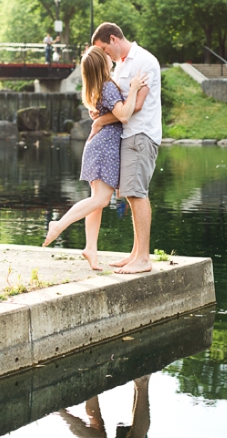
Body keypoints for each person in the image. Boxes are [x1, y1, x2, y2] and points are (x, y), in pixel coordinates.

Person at [42, 46, 148, 270]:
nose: (111, 58)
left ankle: (91, 248)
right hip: (105, 148)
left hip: (99, 146)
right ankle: (58, 224)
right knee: (100, 200)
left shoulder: (95, 88)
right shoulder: (108, 86)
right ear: (102, 64)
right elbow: (124, 115)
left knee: (96, 202)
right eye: (107, 57)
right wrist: (134, 89)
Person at [90, 22, 161, 274]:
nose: (104, 55)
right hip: (127, 137)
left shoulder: (145, 61)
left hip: (141, 136)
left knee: (137, 193)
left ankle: (143, 259)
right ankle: (135, 253)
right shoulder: (120, 63)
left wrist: (100, 121)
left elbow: (136, 106)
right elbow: (118, 104)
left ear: (113, 38)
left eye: (103, 49)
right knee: (131, 194)